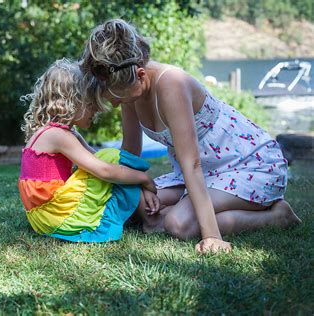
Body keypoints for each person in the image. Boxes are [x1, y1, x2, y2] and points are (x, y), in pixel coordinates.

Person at [80, 19, 301, 253]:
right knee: (140, 205)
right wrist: (137, 190)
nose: (114, 103)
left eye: (116, 95)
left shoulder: (171, 84)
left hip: (247, 165)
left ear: (141, 74)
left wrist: (211, 236)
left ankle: (278, 217)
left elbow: (191, 163)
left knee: (178, 224)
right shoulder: (129, 89)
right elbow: (130, 152)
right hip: (204, 173)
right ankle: (182, 215)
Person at [18, 58, 160, 242]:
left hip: (46, 216)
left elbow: (98, 161)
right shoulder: (57, 135)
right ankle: (151, 221)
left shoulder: (63, 133)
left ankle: (144, 211)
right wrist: (144, 179)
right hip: (56, 215)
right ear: (73, 101)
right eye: (92, 104)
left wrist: (140, 185)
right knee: (111, 156)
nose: (96, 111)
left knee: (109, 160)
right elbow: (105, 169)